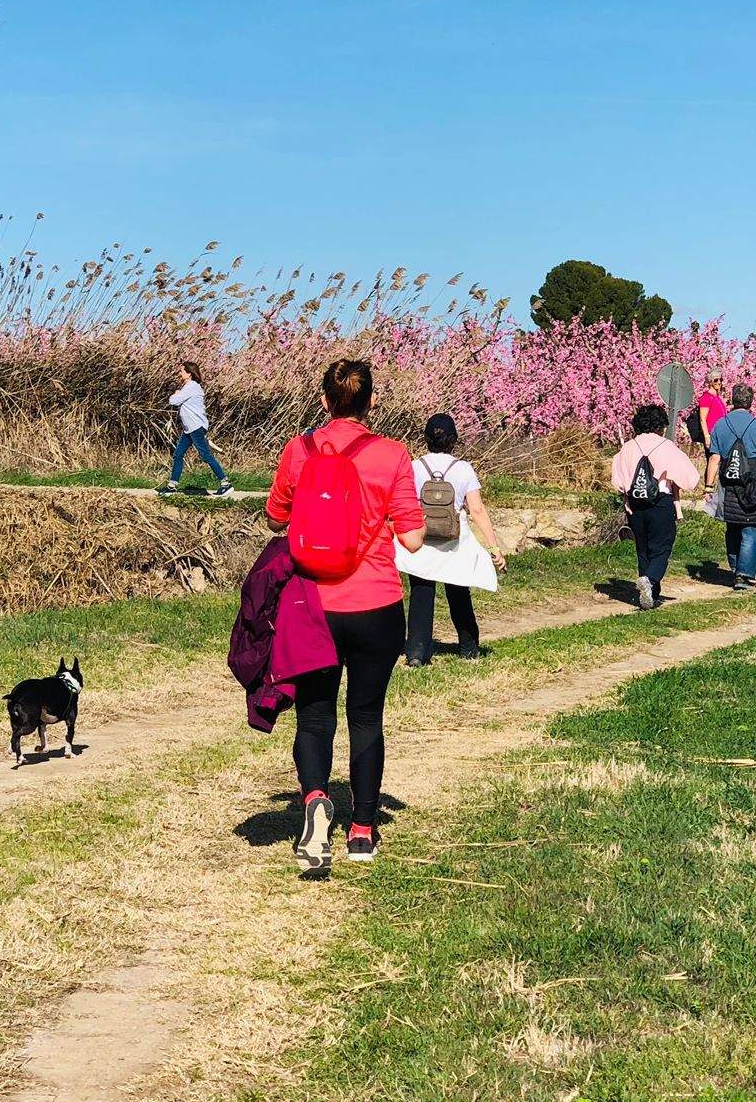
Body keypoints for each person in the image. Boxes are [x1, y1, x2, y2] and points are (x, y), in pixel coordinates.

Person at [265, 360, 426, 870]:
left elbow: (276, 515)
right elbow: (414, 539)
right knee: (365, 717)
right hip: (375, 604)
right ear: (372, 402)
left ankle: (315, 803)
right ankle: (361, 830)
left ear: (323, 401)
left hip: (312, 605)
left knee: (314, 718)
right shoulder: (392, 454)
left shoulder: (300, 448)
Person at [397, 413, 508, 664]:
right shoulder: (463, 469)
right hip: (454, 541)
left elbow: (402, 504)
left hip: (422, 537)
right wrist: (494, 547)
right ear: (454, 440)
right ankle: (469, 648)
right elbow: (477, 510)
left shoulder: (413, 467)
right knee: (458, 590)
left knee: (421, 592)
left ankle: (416, 653)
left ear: (425, 439)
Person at [608, 403, 703, 609]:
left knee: (643, 549)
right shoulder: (666, 446)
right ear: (661, 425)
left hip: (634, 504)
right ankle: (649, 580)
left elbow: (618, 480)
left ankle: (650, 596)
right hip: (660, 502)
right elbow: (690, 478)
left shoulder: (628, 447)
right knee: (661, 548)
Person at [706, 382, 756, 593]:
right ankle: (744, 574)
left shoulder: (721, 424)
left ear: (732, 399)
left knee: (733, 524)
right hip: (754, 483)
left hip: (730, 482)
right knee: (753, 527)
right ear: (751, 401)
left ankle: (735, 567)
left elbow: (714, 458)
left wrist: (708, 486)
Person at [160, 360, 231, 496]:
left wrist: (176, 394)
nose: (179, 373)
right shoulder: (189, 387)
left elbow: (173, 401)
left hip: (196, 427)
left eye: (181, 371)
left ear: (189, 373)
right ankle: (172, 486)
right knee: (178, 454)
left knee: (206, 455)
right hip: (189, 429)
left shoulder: (192, 387)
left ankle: (225, 483)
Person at [692, 371, 729, 457]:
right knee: (713, 459)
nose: (719, 382)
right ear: (710, 382)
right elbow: (702, 418)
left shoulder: (717, 398)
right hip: (712, 435)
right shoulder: (706, 398)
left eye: (721, 380)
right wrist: (707, 437)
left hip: (721, 434)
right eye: (716, 380)